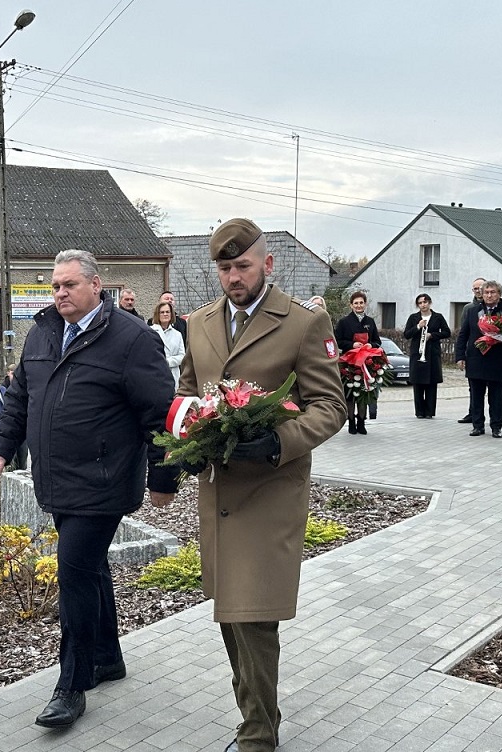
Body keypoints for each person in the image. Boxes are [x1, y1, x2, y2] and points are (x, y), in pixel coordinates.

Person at [163, 218, 345, 752]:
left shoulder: (303, 323)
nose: (234, 277)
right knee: (231, 615)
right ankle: (257, 714)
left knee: (253, 618)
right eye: (225, 268)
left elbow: (329, 406)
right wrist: (188, 441)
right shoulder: (198, 323)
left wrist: (275, 442)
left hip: (271, 491)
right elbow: (189, 392)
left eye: (243, 266)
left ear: (268, 264)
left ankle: (258, 735)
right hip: (218, 491)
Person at [0, 249, 178, 730]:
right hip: (56, 479)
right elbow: (21, 398)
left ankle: (72, 685)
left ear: (96, 286)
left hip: (104, 482)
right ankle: (108, 657)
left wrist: (164, 477)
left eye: (70, 284)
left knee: (72, 573)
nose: (61, 293)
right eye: (55, 286)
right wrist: (2, 444)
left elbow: (159, 413)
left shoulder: (132, 339)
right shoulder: (44, 330)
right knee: (88, 568)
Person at [454, 280, 502, 438]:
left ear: (499, 294)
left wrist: (497, 338)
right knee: (476, 395)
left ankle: (496, 427)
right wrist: (460, 356)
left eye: (493, 292)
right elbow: (463, 335)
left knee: (496, 396)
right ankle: (477, 426)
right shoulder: (472, 311)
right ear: (481, 294)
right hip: (476, 359)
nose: (489, 295)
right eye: (486, 293)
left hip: (498, 360)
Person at [334, 291, 381, 435]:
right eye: (356, 303)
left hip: (366, 362)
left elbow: (377, 341)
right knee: (350, 393)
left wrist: (369, 345)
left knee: (363, 391)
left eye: (361, 303)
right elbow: (337, 341)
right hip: (349, 362)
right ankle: (351, 422)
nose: (359, 305)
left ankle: (361, 422)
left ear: (365, 304)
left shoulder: (370, 322)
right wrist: (351, 345)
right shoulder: (344, 322)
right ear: (351, 305)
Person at [403, 293, 452, 419]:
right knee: (418, 383)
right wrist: (418, 326)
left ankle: (430, 412)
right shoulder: (413, 318)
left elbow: (447, 332)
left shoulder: (438, 317)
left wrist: (433, 335)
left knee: (431, 383)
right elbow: (407, 334)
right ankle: (419, 412)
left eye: (425, 302)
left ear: (429, 303)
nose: (423, 305)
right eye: (420, 303)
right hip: (417, 353)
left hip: (432, 353)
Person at [458, 278, 488, 424]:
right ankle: (473, 414)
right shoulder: (468, 308)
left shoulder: (493, 306)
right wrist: (462, 354)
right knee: (474, 387)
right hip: (474, 352)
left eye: (480, 287)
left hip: (491, 353)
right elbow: (464, 331)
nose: (478, 291)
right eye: (475, 288)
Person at [0, 363, 28, 469]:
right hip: (9, 428)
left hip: (22, 430)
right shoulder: (3, 389)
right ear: (8, 374)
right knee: (11, 462)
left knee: (22, 459)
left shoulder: (23, 387)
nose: (14, 376)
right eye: (12, 373)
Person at [150, 300, 185, 389]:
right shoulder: (150, 332)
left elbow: (182, 356)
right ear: (157, 314)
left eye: (167, 312)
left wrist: (168, 361)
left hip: (173, 375)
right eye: (162, 312)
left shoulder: (177, 334)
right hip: (156, 374)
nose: (165, 314)